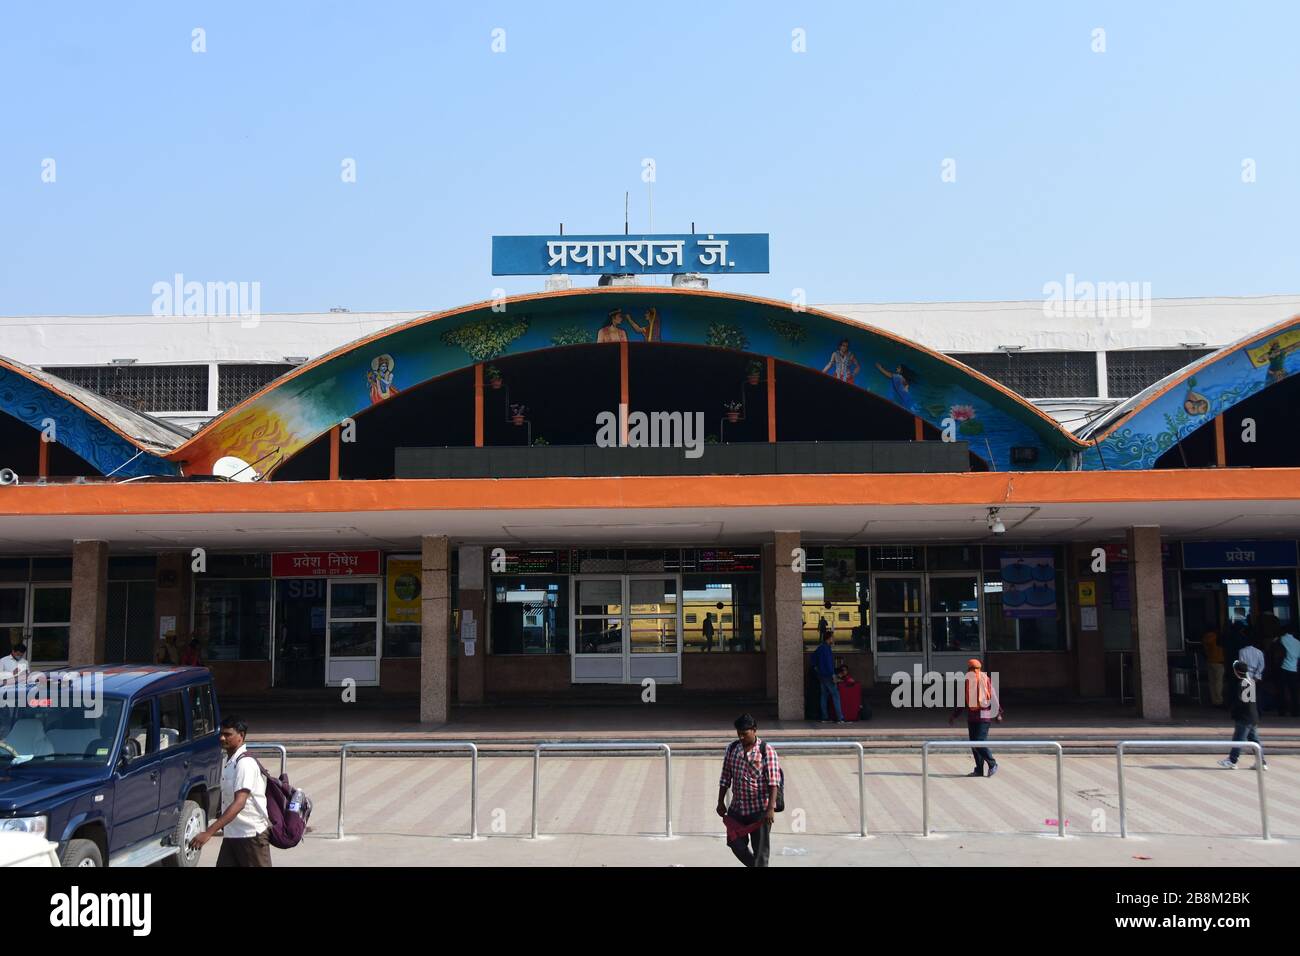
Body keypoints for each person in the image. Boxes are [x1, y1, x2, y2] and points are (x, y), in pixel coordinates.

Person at [190, 715, 272, 866]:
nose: (222, 738)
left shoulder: (244, 764)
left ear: (241, 736)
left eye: (227, 734)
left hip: (250, 835)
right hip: (232, 834)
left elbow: (239, 803)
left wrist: (209, 832)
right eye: (221, 734)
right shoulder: (230, 761)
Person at [717, 714, 781, 867]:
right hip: (737, 809)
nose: (741, 737)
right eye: (738, 733)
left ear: (754, 730)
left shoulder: (767, 751)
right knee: (734, 842)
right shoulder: (732, 749)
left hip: (760, 811)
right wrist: (720, 801)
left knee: (760, 853)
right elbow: (725, 776)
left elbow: (773, 782)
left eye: (744, 734)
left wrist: (770, 808)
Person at [948, 658, 1002, 777]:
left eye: (973, 669)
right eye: (971, 669)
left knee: (979, 742)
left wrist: (998, 713)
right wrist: (954, 715)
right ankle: (979, 769)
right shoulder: (969, 682)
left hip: (983, 717)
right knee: (975, 744)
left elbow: (993, 697)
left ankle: (992, 764)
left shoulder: (984, 680)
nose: (973, 671)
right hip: (974, 717)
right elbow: (963, 701)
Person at [1218, 661, 1268, 770]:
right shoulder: (1250, 681)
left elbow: (1243, 702)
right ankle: (1261, 762)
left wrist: (1234, 711)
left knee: (1238, 739)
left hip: (1245, 717)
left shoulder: (1243, 683)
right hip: (1252, 716)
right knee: (1254, 740)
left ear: (1236, 671)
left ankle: (1232, 760)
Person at [810, 629, 845, 723]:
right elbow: (829, 664)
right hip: (828, 676)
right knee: (835, 695)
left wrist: (816, 668)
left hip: (821, 675)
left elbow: (812, 659)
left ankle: (824, 717)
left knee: (824, 695)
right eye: (832, 638)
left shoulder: (820, 648)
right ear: (828, 639)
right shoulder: (827, 649)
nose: (833, 639)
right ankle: (840, 718)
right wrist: (833, 675)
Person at [1280, 624, 1300, 718]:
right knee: (1294, 691)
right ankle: (1295, 711)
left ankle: (1283, 710)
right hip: (1294, 669)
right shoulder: (1298, 642)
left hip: (1283, 668)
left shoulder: (1282, 639)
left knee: (1282, 690)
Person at [1203, 629, 1225, 706]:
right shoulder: (1219, 638)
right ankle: (1219, 700)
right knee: (1219, 682)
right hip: (1219, 662)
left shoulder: (1207, 637)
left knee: (1212, 682)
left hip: (1210, 661)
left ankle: (1214, 700)